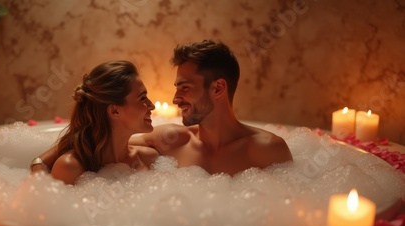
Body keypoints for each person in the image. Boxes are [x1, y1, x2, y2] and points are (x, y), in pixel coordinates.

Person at [32, 40, 292, 176]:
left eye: (185, 87)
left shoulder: (267, 150)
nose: (175, 98)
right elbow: (90, 138)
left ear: (217, 88)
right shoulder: (171, 140)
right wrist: (40, 163)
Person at [35, 60, 158, 184]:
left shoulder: (148, 158)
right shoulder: (70, 168)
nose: (152, 106)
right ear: (115, 111)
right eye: (143, 98)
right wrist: (38, 165)